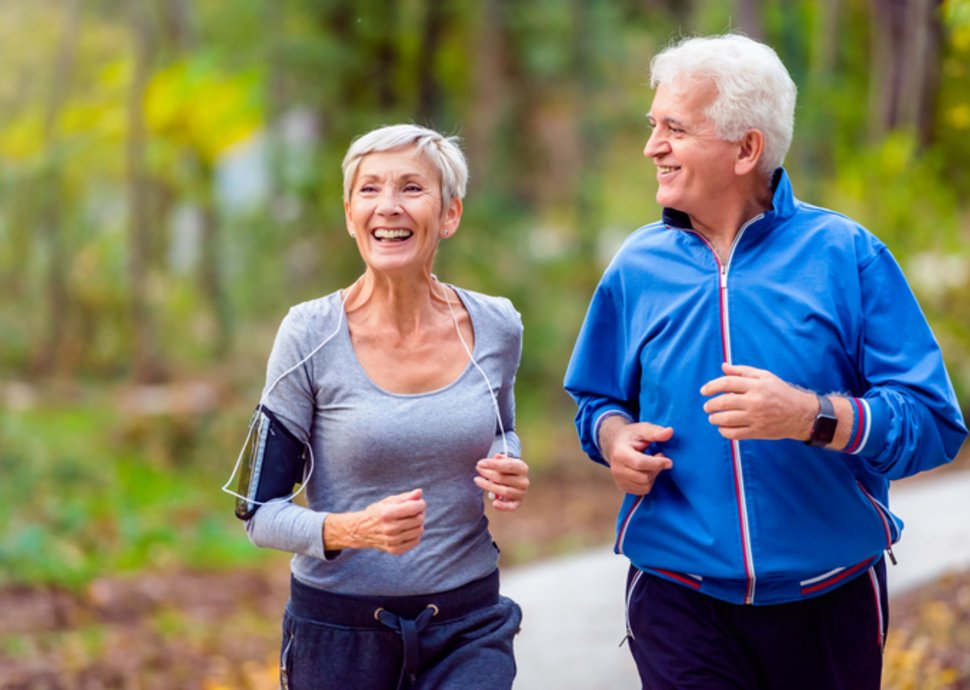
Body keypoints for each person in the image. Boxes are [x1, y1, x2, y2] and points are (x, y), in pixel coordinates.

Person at [564, 33, 967, 690]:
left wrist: (811, 415)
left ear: (746, 148)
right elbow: (596, 400)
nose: (652, 147)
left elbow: (932, 424)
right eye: (653, 125)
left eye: (675, 128)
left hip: (829, 600)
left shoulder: (847, 255)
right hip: (677, 596)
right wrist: (614, 439)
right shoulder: (636, 267)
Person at [227, 124, 529, 689]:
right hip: (339, 635)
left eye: (412, 188)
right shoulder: (308, 334)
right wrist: (354, 529)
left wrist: (506, 462)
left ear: (449, 215)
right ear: (349, 215)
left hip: (467, 624)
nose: (388, 206)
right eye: (369, 190)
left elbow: (502, 428)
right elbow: (257, 513)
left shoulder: (495, 325)